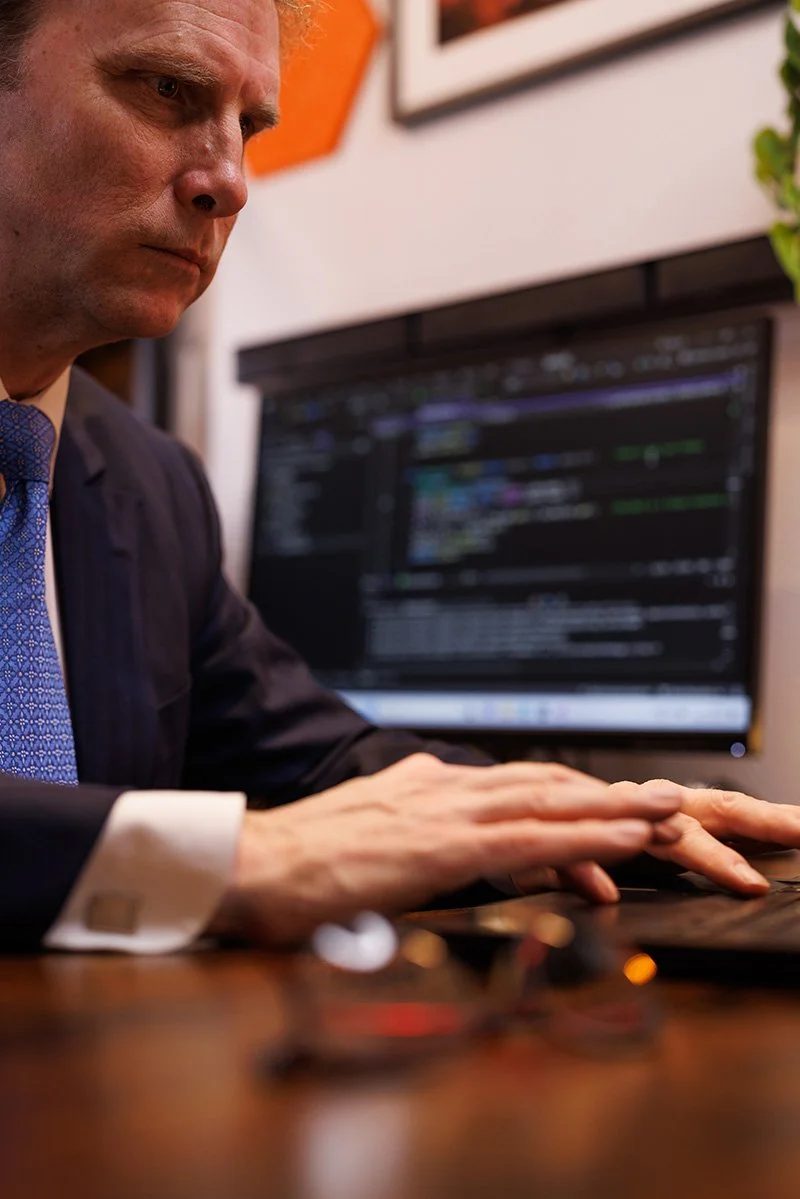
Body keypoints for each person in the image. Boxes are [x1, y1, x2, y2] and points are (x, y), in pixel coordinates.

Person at [1, 0, 799, 956]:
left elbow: (321, 758)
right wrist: (235, 859)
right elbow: (265, 839)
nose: (231, 181)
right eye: (169, 89)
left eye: (250, 127)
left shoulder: (148, 481)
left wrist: (551, 815)